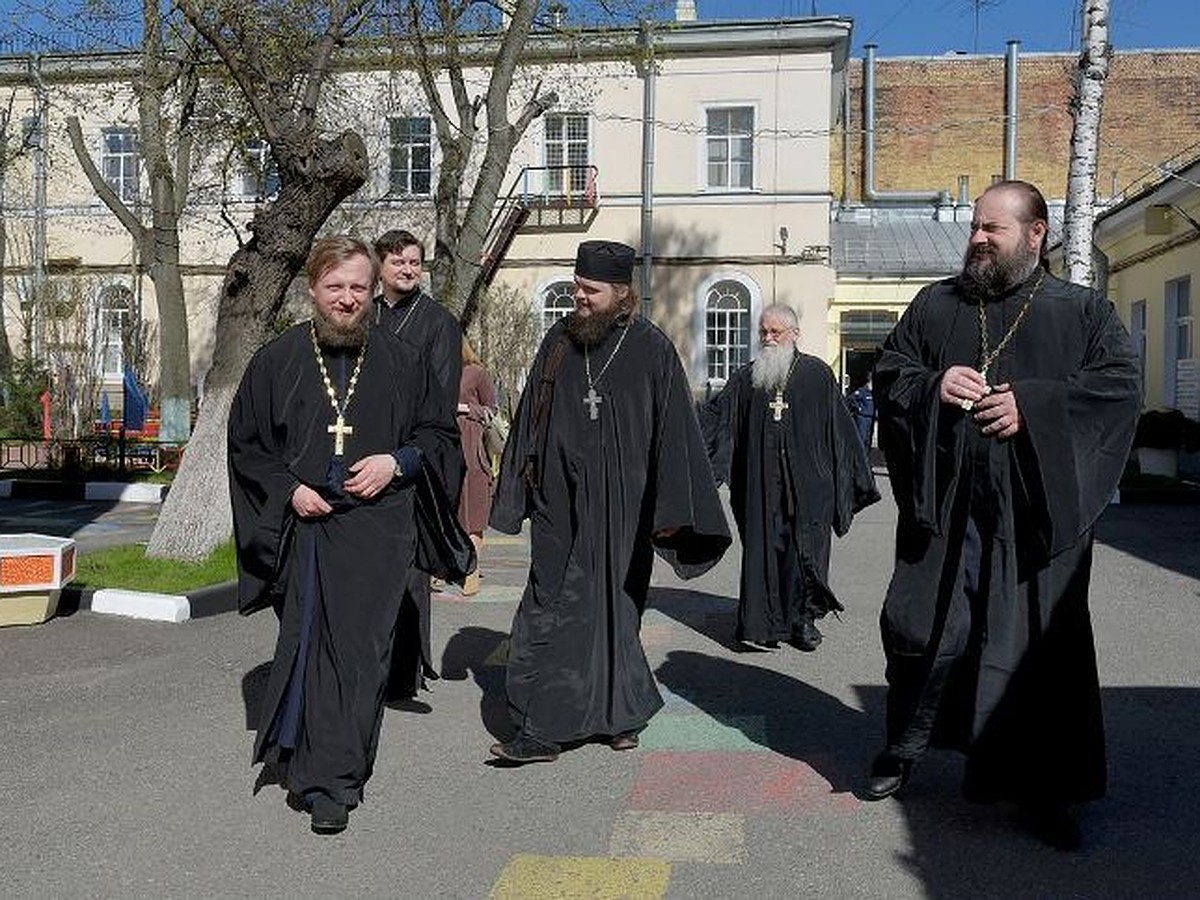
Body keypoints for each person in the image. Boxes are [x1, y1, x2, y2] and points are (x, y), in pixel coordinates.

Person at [864, 180, 1141, 850]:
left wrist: (1035, 407)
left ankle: (1046, 790)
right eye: (975, 228)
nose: (979, 240)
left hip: (1035, 519)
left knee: (1037, 651)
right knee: (924, 630)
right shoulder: (937, 304)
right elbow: (890, 374)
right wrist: (934, 385)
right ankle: (903, 749)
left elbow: (1117, 390)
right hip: (951, 508)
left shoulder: (1083, 313)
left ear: (1038, 234)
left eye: (994, 229)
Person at [228, 236, 472, 834]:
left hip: (378, 534)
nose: (346, 299)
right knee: (311, 651)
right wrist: (289, 489)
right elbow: (247, 446)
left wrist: (398, 463)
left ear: (372, 292)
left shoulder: (402, 360)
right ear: (312, 289)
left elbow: (439, 439)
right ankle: (317, 773)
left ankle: (338, 778)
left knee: (362, 658)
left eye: (358, 288)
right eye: (334, 287)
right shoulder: (278, 360)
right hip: (304, 531)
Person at [488, 239, 732, 765]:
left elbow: (675, 436)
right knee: (549, 602)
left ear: (622, 294)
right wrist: (519, 489)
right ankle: (608, 713)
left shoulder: (651, 348)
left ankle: (555, 726)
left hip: (622, 507)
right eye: (577, 286)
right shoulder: (558, 340)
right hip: (557, 502)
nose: (579, 296)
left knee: (611, 609)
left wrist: (672, 514)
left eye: (590, 290)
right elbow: (533, 411)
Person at [702, 304, 879, 652]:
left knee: (804, 555)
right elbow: (719, 423)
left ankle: (802, 621)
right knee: (763, 553)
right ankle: (761, 624)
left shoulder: (817, 375)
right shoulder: (746, 378)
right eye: (763, 332)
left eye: (776, 332)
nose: (768, 339)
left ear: (794, 334)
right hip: (760, 487)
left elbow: (841, 431)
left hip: (810, 488)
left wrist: (854, 478)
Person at [372, 229, 464, 704]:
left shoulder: (438, 323)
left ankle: (403, 673)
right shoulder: (363, 315)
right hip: (362, 459)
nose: (408, 270)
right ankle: (368, 662)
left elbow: (440, 403)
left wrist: (405, 453)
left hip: (411, 461)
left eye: (415, 263)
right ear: (380, 267)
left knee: (408, 570)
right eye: (399, 263)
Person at [456, 337, 498, 596]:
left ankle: (471, 571)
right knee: (446, 511)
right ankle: (439, 569)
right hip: (443, 448)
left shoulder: (477, 372)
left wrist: (464, 408)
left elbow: (491, 409)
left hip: (471, 449)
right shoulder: (436, 369)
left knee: (473, 512)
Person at [846, 375, 876, 451]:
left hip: (871, 418)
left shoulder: (874, 393)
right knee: (861, 439)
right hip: (863, 418)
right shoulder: (862, 391)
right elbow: (850, 399)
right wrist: (858, 408)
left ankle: (867, 459)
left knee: (868, 440)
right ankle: (859, 458)